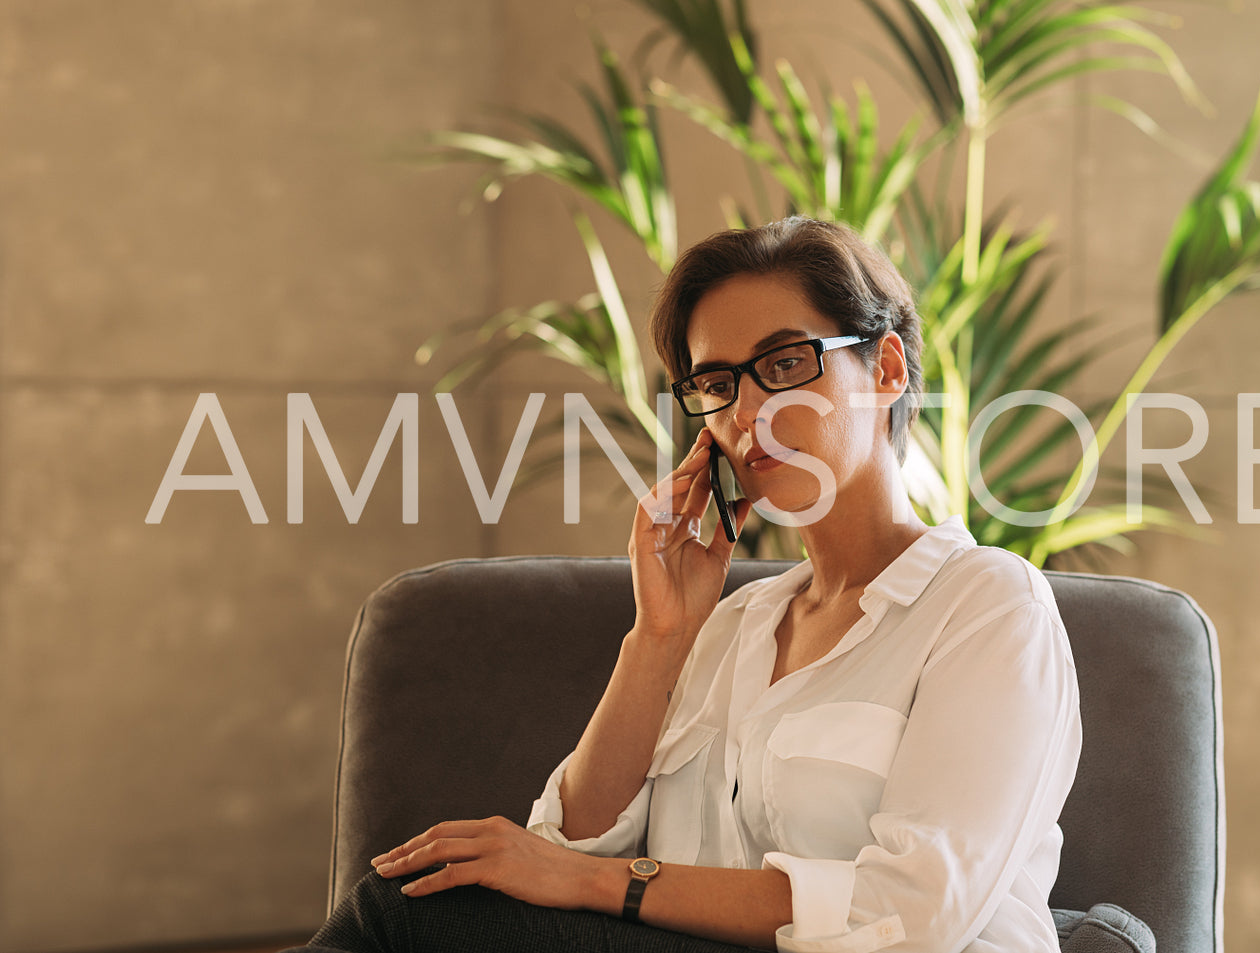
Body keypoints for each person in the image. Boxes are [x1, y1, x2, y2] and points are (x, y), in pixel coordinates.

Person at [289, 217, 1082, 953]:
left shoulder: (987, 604)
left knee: (401, 919)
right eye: (718, 384)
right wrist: (659, 637)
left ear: (884, 366)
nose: (748, 411)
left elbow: (910, 912)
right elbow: (561, 852)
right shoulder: (736, 625)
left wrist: (598, 882)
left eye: (783, 364)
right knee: (413, 903)